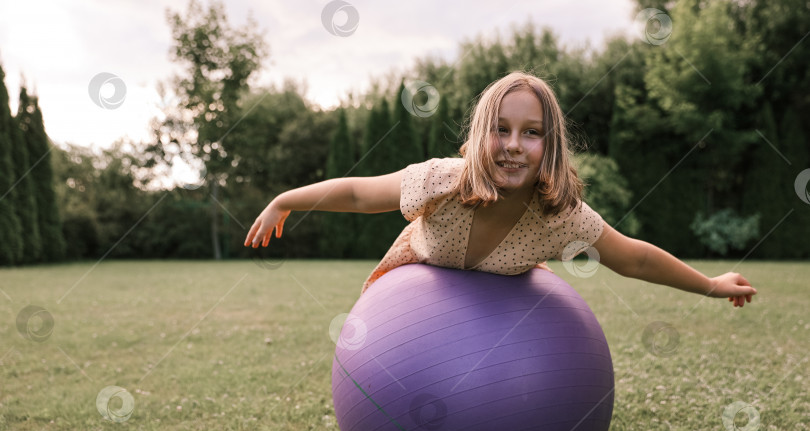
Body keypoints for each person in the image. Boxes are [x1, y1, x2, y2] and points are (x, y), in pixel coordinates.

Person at [244, 71, 756, 307]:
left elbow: (635, 259)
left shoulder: (563, 216)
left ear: (549, 145)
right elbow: (359, 194)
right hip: (412, 308)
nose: (514, 145)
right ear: (478, 136)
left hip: (497, 317)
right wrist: (285, 199)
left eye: (531, 133)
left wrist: (711, 284)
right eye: (501, 129)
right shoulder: (441, 180)